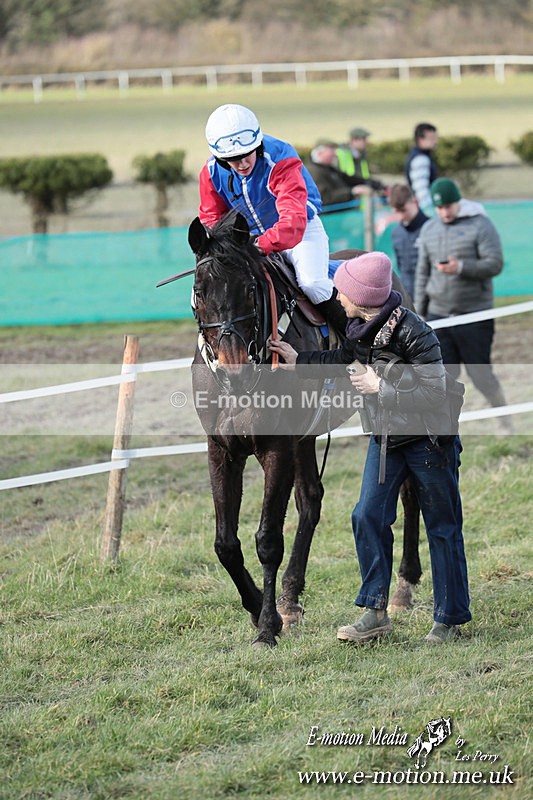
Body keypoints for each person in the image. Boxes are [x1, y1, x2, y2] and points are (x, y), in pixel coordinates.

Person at [269, 252, 471, 645]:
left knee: (443, 528)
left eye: (342, 290)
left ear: (362, 296)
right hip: (387, 439)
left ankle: (448, 619)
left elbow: (435, 391)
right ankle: (375, 612)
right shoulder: (359, 328)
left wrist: (382, 388)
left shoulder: (416, 332)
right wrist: (299, 361)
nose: (337, 297)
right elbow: (340, 357)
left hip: (429, 441)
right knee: (366, 515)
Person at [198, 103, 345, 329]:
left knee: (312, 284)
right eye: (233, 158)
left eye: (246, 154)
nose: (242, 163)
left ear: (256, 146)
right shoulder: (210, 172)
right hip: (251, 241)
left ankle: (354, 340)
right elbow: (211, 218)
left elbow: (292, 221)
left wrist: (261, 244)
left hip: (300, 230)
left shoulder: (281, 157)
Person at [415, 177, 510, 426]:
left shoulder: (481, 225)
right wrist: (419, 312)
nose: (444, 211)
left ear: (459, 202)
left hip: (474, 314)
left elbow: (495, 263)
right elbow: (422, 272)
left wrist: (462, 267)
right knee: (442, 376)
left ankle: (504, 419)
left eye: (449, 205)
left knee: (481, 375)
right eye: (439, 207)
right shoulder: (429, 230)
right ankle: (443, 428)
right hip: (438, 315)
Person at [389, 183, 429, 299]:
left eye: (404, 210)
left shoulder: (431, 228)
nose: (401, 216)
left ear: (415, 202)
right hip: (408, 295)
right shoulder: (396, 233)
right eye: (397, 212)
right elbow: (402, 267)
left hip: (432, 298)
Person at [306, 142, 372, 208]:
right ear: (320, 153)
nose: (334, 155)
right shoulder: (315, 171)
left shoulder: (328, 168)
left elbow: (349, 179)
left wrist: (371, 184)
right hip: (330, 214)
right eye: (331, 152)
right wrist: (351, 192)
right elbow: (324, 198)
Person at [405, 122, 439, 215]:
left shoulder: (420, 156)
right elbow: (421, 191)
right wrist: (430, 211)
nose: (435, 142)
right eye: (432, 139)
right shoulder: (421, 159)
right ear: (420, 139)